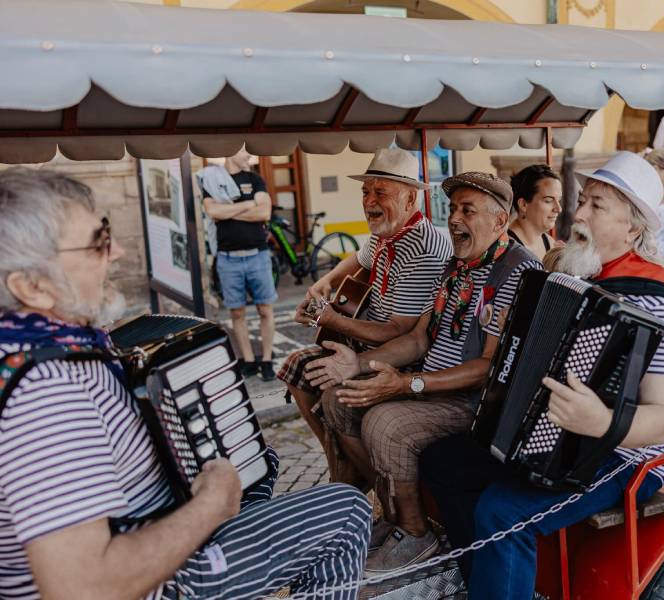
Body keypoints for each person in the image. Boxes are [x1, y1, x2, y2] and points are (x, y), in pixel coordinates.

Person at [0, 169, 370, 600]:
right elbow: (82, 586)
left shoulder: (38, 351)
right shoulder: (47, 390)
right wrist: (211, 504)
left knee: (260, 465)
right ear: (32, 286)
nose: (117, 251)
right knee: (345, 511)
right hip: (164, 583)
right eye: (99, 242)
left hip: (152, 526)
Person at [421, 151, 664, 600]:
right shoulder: (576, 271)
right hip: (550, 433)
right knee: (442, 463)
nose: (577, 213)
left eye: (596, 205)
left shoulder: (657, 302)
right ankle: (489, 584)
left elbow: (663, 418)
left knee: (501, 512)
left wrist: (602, 424)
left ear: (634, 227)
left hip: (624, 457)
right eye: (581, 200)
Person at [304, 172, 542, 575]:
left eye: (468, 210)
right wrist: (357, 365)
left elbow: (489, 368)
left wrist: (408, 383)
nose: (454, 219)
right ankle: (396, 514)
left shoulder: (515, 271)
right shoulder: (457, 268)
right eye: (452, 209)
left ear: (500, 221)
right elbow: (418, 340)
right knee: (337, 398)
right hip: (432, 387)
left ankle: (416, 535)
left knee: (385, 422)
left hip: (477, 403)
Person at [277, 148, 451, 485]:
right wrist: (324, 282)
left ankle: (359, 479)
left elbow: (398, 332)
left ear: (410, 199)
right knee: (297, 368)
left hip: (404, 358)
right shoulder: (387, 233)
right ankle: (338, 459)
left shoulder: (422, 249)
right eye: (365, 191)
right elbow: (358, 260)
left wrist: (333, 321)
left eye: (380, 192)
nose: (369, 200)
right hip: (365, 339)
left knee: (331, 390)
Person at [201, 148, 278, 381]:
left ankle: (266, 360)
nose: (249, 157)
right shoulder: (212, 180)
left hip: (258, 256)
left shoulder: (255, 179)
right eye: (245, 152)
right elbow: (212, 210)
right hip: (227, 258)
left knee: (265, 310)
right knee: (237, 312)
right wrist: (246, 206)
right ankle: (248, 360)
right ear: (230, 151)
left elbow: (264, 212)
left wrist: (228, 212)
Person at [507, 164, 562, 260]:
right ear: (523, 204)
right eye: (548, 200)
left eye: (559, 200)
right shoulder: (506, 249)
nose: (558, 208)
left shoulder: (550, 243)